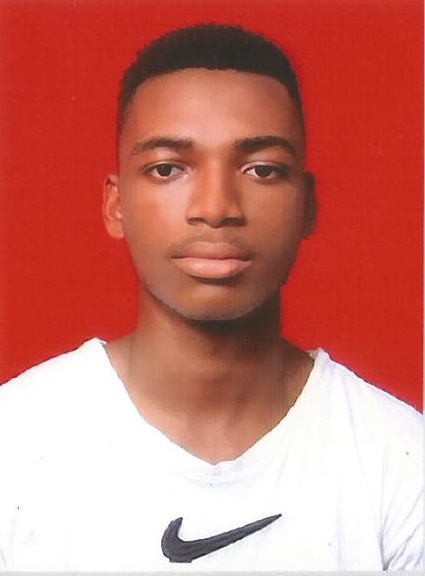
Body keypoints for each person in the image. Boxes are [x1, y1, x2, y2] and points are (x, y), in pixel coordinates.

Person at [0, 24, 422, 571]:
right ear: (116, 205)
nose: (216, 207)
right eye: (168, 169)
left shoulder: (399, 463)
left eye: (262, 170)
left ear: (308, 205)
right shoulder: (15, 444)